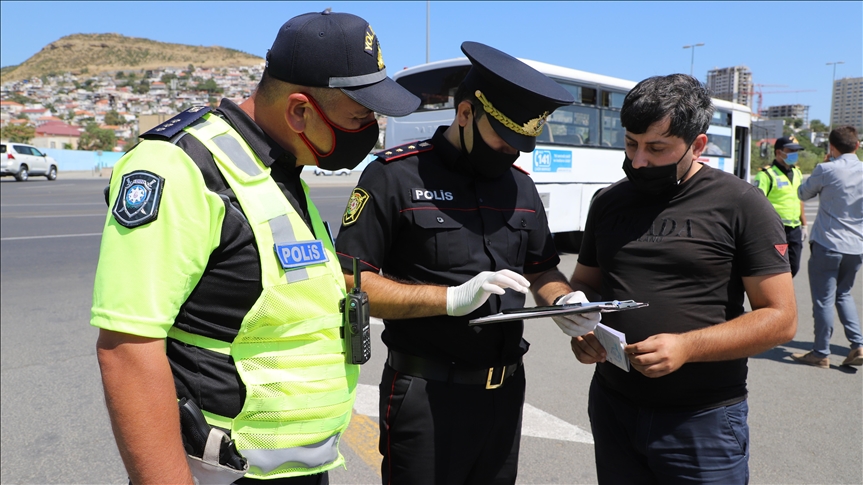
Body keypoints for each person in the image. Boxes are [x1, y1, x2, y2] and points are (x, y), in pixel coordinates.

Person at [91, 10, 420, 485]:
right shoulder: (182, 167)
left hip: (296, 469)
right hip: (221, 472)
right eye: (360, 117)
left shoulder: (277, 167)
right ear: (300, 111)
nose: (372, 129)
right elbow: (127, 349)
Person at [333, 41, 599, 484]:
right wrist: (449, 299)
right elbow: (350, 281)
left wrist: (564, 301)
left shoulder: (521, 187)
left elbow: (541, 269)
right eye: (503, 139)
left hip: (504, 394)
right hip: (426, 394)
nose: (511, 152)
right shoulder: (395, 175)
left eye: (521, 144)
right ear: (465, 114)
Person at [566, 74, 797, 484]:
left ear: (698, 145)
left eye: (656, 148)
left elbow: (781, 318)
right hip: (613, 406)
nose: (638, 161)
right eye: (631, 143)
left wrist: (688, 347)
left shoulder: (742, 204)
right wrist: (581, 323)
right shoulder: (607, 201)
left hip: (702, 422)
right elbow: (585, 284)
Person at [791, 125, 863, 368]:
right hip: (856, 246)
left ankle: (821, 352)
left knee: (824, 299)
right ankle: (858, 345)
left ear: (832, 147)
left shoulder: (827, 169)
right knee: (844, 294)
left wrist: (823, 168)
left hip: (828, 243)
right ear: (857, 145)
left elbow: (803, 193)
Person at [754, 136, 808, 276]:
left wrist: (804, 224)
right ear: (779, 152)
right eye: (791, 151)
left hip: (794, 229)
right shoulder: (766, 175)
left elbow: (799, 199)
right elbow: (756, 205)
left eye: (796, 151)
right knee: (776, 269)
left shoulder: (797, 172)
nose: (794, 154)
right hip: (776, 229)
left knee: (794, 266)